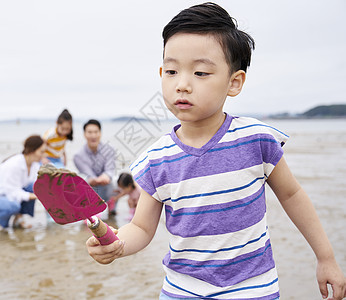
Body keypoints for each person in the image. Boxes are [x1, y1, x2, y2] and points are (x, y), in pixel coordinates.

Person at [86, 3, 346, 300]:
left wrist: (326, 257)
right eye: (171, 71)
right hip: (181, 290)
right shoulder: (157, 158)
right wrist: (117, 244)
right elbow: (142, 228)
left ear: (234, 82)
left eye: (200, 72)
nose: (182, 84)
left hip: (254, 288)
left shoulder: (255, 140)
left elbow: (292, 195)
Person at [0, 135, 46, 231]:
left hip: (11, 194)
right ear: (32, 151)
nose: (44, 155)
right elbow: (13, 192)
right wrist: (34, 196)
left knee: (34, 187)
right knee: (12, 211)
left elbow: (39, 182)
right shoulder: (14, 164)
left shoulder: (34, 164)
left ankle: (18, 219)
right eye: (42, 152)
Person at [73, 119, 116, 204]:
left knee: (117, 181)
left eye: (96, 132)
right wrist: (95, 179)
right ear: (84, 134)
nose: (93, 135)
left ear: (100, 133)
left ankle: (112, 211)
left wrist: (106, 176)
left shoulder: (109, 149)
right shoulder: (78, 156)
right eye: (90, 132)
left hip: (107, 183)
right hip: (90, 185)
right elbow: (88, 174)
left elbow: (110, 170)